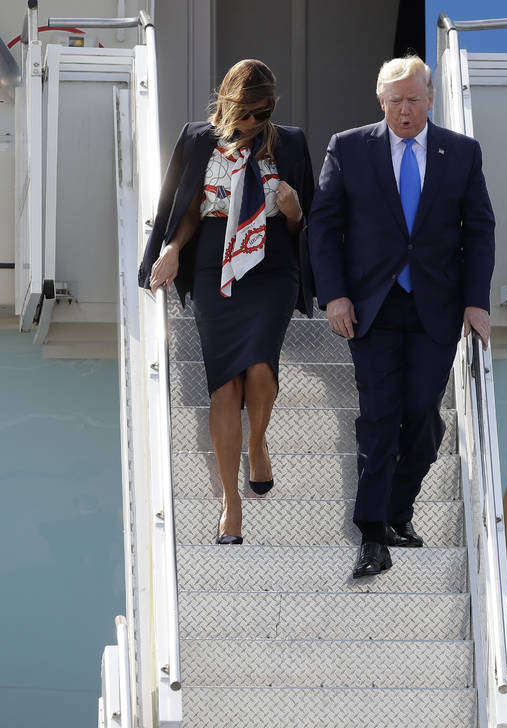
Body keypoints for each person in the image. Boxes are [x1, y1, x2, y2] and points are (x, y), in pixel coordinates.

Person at [309, 55, 495, 578]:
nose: (404, 111)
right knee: (380, 416)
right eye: (394, 102)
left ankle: (398, 509)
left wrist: (476, 301)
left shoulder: (460, 152)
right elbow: (324, 226)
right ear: (381, 102)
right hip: (372, 305)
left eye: (413, 100)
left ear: (430, 99)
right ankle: (372, 535)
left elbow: (480, 228)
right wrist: (334, 296)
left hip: (436, 306)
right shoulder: (349, 147)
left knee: (422, 418)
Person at [138, 59, 315, 544]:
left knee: (260, 368)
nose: (257, 122)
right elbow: (184, 207)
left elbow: (310, 225)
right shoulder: (199, 140)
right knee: (224, 387)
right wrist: (171, 251)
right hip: (215, 263)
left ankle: (257, 443)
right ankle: (231, 503)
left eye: (266, 112)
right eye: (250, 112)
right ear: (229, 102)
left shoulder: (291, 143)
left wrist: (295, 211)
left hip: (273, 264)